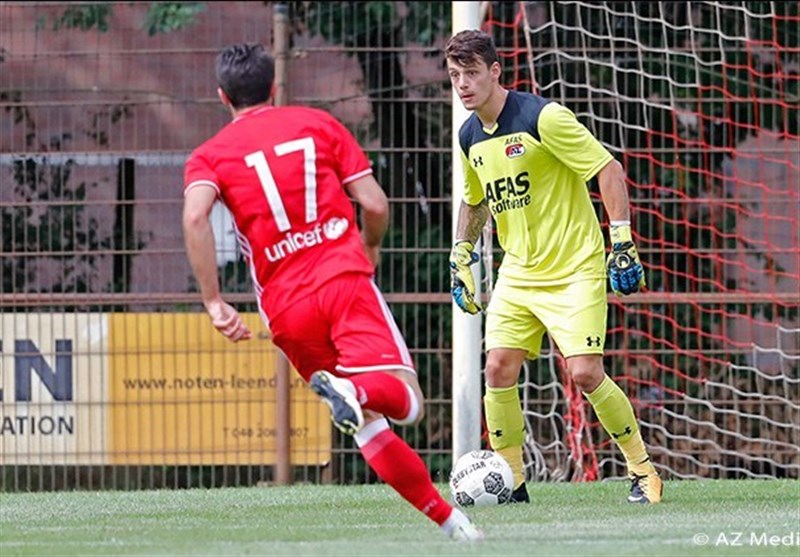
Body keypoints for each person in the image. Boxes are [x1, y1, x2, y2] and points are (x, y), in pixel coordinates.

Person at [183, 43, 482, 541]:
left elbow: (195, 217)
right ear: (273, 86)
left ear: (223, 97)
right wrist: (370, 245)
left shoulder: (208, 155)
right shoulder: (316, 124)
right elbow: (375, 204)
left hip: (285, 309)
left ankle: (454, 526)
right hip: (341, 280)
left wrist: (214, 301)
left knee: (366, 425)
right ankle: (358, 390)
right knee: (408, 402)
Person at [445, 30, 662, 504]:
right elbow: (475, 199)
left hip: (574, 267)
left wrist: (621, 241)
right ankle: (513, 483)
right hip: (518, 273)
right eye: (455, 75)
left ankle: (643, 471)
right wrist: (461, 252)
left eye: (472, 73)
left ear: (495, 71)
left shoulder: (543, 118)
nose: (463, 85)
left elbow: (607, 169)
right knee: (497, 368)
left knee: (584, 373)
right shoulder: (468, 136)